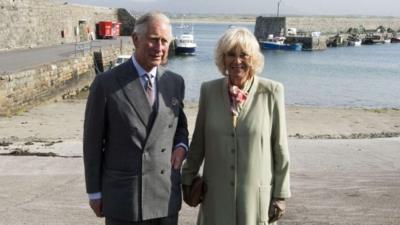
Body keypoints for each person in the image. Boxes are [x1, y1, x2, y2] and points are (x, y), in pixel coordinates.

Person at [83, 11, 189, 225]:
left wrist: (181, 145)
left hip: (164, 195)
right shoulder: (106, 84)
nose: (159, 48)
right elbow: (92, 143)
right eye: (153, 40)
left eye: (164, 41)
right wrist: (94, 192)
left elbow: (180, 126)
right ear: (135, 39)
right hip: (125, 198)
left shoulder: (174, 82)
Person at [181, 27, 291, 225]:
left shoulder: (272, 91)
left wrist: (281, 194)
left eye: (244, 55)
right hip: (215, 199)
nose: (237, 61)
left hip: (256, 201)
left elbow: (280, 147)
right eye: (231, 54)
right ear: (222, 58)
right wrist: (187, 179)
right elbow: (198, 143)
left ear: (253, 59)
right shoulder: (209, 91)